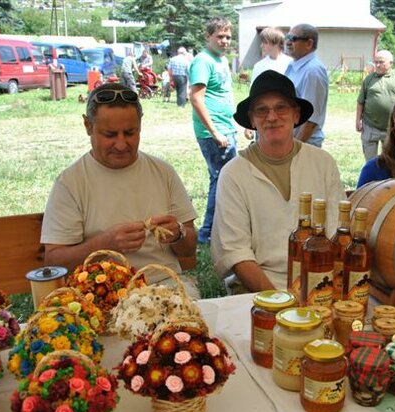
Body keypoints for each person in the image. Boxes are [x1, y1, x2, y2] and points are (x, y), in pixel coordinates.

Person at [41, 83, 199, 296]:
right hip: (101, 293)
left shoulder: (162, 171)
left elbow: (189, 248)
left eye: (130, 133)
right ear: (88, 126)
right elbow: (54, 262)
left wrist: (178, 234)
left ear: (140, 126)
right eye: (110, 134)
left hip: (164, 286)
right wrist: (106, 243)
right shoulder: (71, 182)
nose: (122, 144)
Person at [211, 70, 345, 293]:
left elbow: (336, 233)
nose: (272, 117)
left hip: (319, 284)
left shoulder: (322, 163)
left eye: (281, 107)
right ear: (252, 120)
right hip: (257, 291)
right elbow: (235, 252)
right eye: (262, 110)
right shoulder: (234, 174)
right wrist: (277, 301)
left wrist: (320, 290)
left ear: (296, 114)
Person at [189, 17, 237, 244]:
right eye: (219, 36)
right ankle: (208, 233)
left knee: (223, 181)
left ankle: (214, 230)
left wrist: (239, 123)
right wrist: (216, 132)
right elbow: (196, 98)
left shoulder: (222, 60)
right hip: (214, 134)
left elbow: (225, 94)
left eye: (227, 36)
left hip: (227, 129)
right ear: (208, 36)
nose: (224, 41)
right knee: (222, 181)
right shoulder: (202, 61)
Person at [356, 50, 395, 162]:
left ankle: (390, 179)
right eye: (376, 62)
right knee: (370, 162)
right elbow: (360, 102)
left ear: (391, 63)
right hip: (370, 125)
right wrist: (358, 121)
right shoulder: (369, 79)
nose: (377, 65)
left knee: (391, 160)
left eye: (381, 62)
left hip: (391, 127)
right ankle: (372, 179)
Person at [284, 23, 329, 147]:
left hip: (304, 144)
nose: (288, 42)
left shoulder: (313, 71)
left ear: (309, 44)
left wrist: (293, 148)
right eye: (287, 37)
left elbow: (311, 120)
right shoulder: (293, 66)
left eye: (293, 39)